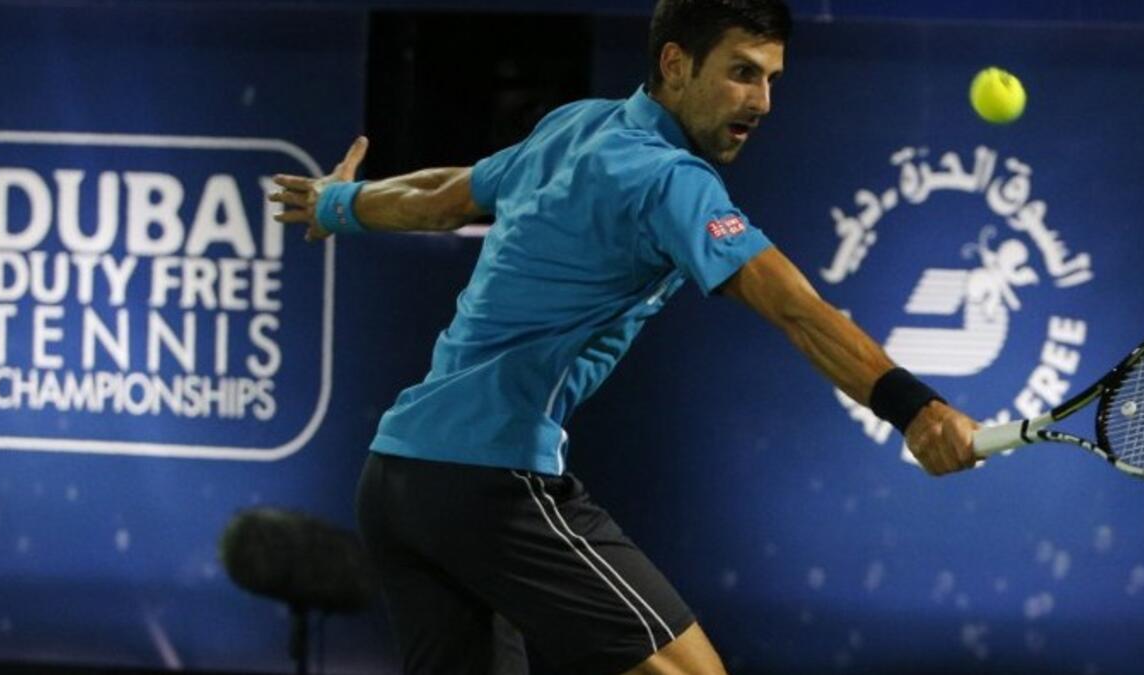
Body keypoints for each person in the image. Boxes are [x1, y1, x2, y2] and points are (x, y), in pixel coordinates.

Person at [271, 1, 978, 673]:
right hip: (488, 482)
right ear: (675, 64)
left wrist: (341, 204)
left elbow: (443, 198)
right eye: (741, 72)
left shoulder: (575, 125)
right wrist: (914, 408)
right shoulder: (670, 182)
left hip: (398, 479)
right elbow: (794, 308)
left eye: (771, 79)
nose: (762, 102)